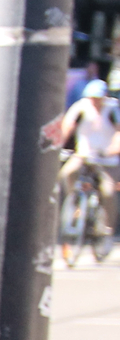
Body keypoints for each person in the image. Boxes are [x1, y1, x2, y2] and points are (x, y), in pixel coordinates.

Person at [56, 78, 119, 231]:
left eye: (98, 99)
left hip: (106, 159)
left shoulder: (112, 109)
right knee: (67, 173)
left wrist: (112, 149)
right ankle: (75, 201)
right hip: (84, 155)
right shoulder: (81, 108)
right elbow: (68, 126)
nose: (95, 102)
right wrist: (60, 144)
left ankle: (107, 229)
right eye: (92, 98)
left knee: (108, 192)